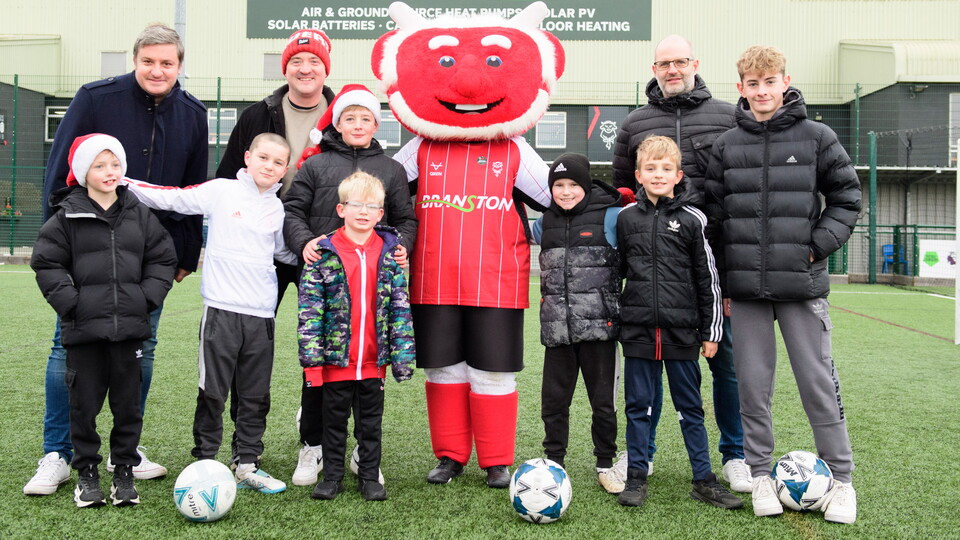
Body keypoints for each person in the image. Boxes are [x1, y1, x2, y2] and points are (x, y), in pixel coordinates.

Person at [25, 23, 207, 496]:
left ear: (179, 66)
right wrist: (59, 239)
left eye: (167, 63)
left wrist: (184, 254)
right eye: (149, 61)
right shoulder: (95, 98)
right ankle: (57, 453)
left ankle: (125, 453)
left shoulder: (193, 113)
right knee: (67, 350)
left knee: (140, 351)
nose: (157, 70)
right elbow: (58, 168)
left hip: (146, 263)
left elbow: (192, 189)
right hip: (84, 253)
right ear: (135, 60)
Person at [704, 46, 861, 523]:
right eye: (752, 83)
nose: (762, 90)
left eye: (769, 81)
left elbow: (847, 198)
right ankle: (759, 477)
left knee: (817, 382)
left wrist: (814, 248)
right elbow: (714, 219)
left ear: (785, 81)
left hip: (803, 287)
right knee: (753, 388)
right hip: (746, 292)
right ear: (741, 88)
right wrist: (728, 281)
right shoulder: (727, 145)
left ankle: (842, 480)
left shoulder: (818, 136)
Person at [611, 34, 749, 491]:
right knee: (645, 381)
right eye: (663, 63)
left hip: (712, 262)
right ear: (654, 68)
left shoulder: (729, 115)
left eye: (680, 61)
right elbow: (620, 193)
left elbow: (738, 189)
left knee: (723, 363)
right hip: (653, 273)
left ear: (695, 62)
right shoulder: (634, 123)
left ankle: (733, 454)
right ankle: (641, 458)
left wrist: (729, 272)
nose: (672, 69)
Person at [123, 133, 297, 494]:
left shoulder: (277, 208)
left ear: (285, 169)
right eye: (263, 157)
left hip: (262, 315)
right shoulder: (221, 190)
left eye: (278, 162)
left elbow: (285, 253)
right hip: (221, 311)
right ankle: (204, 461)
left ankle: (247, 463)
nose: (269, 166)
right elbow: (171, 197)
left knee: (255, 394)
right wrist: (120, 181)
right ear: (248, 158)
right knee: (213, 392)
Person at [31, 134, 178, 507]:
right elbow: (47, 263)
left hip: (130, 331)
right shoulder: (67, 215)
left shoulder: (139, 213)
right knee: (83, 406)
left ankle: (124, 472)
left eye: (114, 164)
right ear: (83, 172)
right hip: (85, 333)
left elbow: (162, 258)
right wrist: (73, 304)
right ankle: (87, 474)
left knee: (128, 406)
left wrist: (145, 298)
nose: (109, 172)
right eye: (99, 165)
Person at [283, 85, 417, 487]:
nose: (357, 125)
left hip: (372, 279)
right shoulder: (315, 165)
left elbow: (406, 219)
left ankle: (363, 454)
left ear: (376, 124)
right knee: (321, 367)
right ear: (337, 124)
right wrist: (304, 241)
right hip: (328, 280)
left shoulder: (392, 169)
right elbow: (292, 211)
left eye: (365, 119)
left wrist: (400, 248)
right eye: (349, 118)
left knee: (365, 382)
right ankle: (313, 445)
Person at [616, 136, 741, 510]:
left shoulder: (693, 219)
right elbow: (617, 272)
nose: (658, 175)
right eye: (650, 169)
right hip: (637, 330)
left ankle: (703, 479)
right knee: (639, 406)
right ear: (638, 175)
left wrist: (712, 331)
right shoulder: (625, 219)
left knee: (690, 409)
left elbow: (708, 280)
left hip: (682, 332)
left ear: (678, 174)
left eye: (665, 169)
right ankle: (636, 476)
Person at [297, 171, 415, 502]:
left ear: (381, 214)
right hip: (336, 362)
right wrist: (313, 363)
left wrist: (402, 357)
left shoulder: (391, 252)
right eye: (355, 204)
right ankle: (332, 476)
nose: (363, 211)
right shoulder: (323, 253)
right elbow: (309, 314)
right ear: (340, 209)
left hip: (373, 363)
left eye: (371, 206)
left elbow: (400, 309)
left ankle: (369, 476)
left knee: (370, 425)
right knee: (332, 423)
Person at [530, 154, 626, 494]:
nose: (566, 192)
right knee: (553, 402)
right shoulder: (544, 222)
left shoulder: (613, 217)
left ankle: (605, 464)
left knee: (603, 403)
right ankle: (554, 464)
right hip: (557, 330)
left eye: (573, 185)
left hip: (600, 331)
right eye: (559, 185)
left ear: (585, 185)